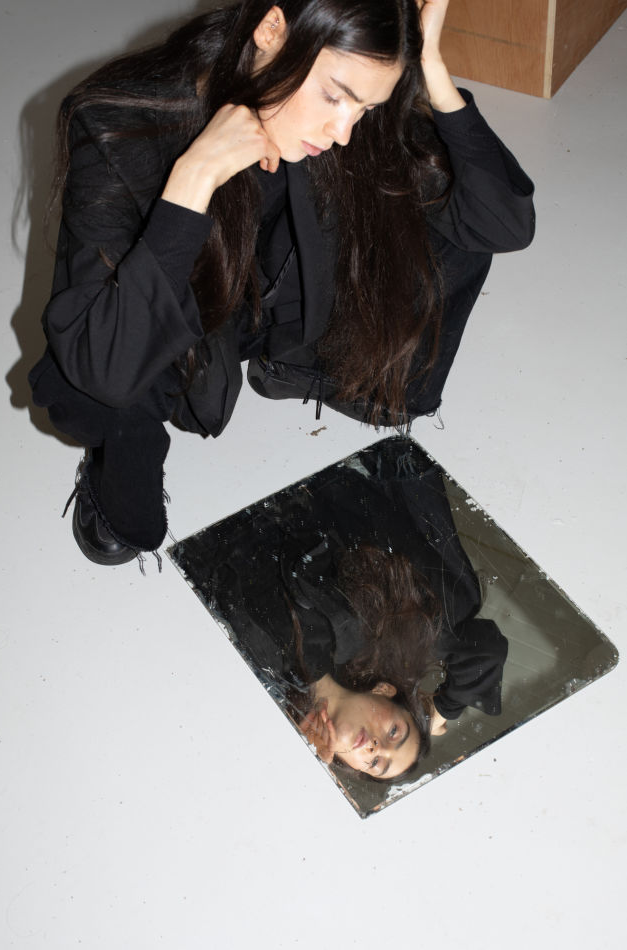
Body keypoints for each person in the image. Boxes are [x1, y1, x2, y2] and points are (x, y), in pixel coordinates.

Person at [29, 0, 535, 567]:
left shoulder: (348, 114)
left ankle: (302, 367)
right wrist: (193, 178)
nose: (343, 131)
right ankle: (127, 451)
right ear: (272, 29)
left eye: (366, 107)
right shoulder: (120, 122)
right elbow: (102, 363)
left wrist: (432, 68)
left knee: (456, 204)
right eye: (335, 96)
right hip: (185, 321)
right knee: (89, 365)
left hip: (285, 292)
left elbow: (502, 225)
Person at [170, 437, 509, 781]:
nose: (378, 747)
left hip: (187, 504)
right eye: (395, 732)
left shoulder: (261, 701)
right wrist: (443, 709)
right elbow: (484, 651)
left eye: (376, 763)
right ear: (383, 691)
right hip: (279, 457)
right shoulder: (371, 629)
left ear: (346, 764)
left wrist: (298, 751)